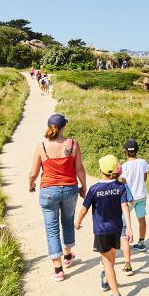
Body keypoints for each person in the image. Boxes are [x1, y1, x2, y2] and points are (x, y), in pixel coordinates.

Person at [29, 114, 87, 281]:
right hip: (69, 189)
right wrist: (84, 187)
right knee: (68, 221)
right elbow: (80, 169)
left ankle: (58, 270)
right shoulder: (72, 144)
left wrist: (30, 184)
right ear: (63, 127)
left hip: (48, 191)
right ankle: (68, 256)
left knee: (52, 229)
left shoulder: (41, 147)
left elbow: (34, 173)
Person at [76, 155, 132, 296]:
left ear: (100, 169)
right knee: (112, 258)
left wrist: (78, 222)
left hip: (101, 231)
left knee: (107, 263)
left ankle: (116, 295)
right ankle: (107, 279)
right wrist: (130, 228)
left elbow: (84, 209)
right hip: (117, 229)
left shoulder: (94, 189)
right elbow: (125, 207)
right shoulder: (120, 187)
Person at [120, 139, 149, 252]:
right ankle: (141, 242)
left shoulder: (124, 166)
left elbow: (124, 183)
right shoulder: (142, 162)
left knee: (123, 220)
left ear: (125, 151)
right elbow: (145, 178)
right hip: (141, 195)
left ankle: (125, 241)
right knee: (141, 218)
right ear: (137, 150)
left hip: (129, 198)